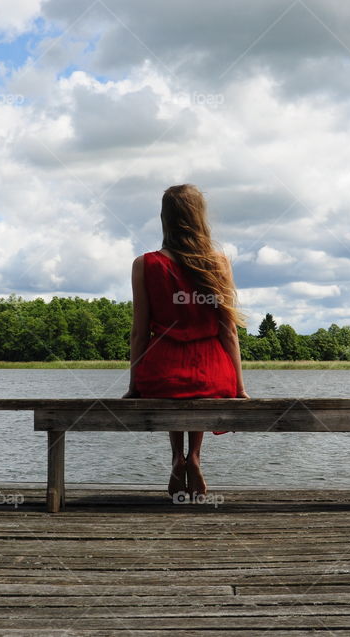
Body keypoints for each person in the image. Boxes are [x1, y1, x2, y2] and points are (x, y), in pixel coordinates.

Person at [122, 184, 249, 499]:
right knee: (199, 385)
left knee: (175, 386)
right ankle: (194, 456)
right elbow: (228, 331)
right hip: (212, 368)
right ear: (199, 218)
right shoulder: (218, 262)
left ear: (165, 218)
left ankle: (177, 456)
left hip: (162, 368)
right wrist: (240, 388)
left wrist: (134, 384)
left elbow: (140, 332)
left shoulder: (145, 264)